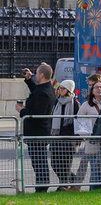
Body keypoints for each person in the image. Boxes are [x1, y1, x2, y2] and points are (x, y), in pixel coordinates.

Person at [16, 64, 57, 192]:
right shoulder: (45, 88)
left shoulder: (44, 93)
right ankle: (41, 186)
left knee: (39, 163)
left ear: (42, 75)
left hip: (38, 133)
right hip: (37, 132)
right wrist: (29, 79)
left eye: (37, 73)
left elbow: (37, 114)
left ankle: (42, 187)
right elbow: (36, 91)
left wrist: (22, 110)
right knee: (38, 162)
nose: (35, 74)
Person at [50, 79, 81, 191]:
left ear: (68, 90)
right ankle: (73, 179)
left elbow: (78, 122)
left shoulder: (75, 103)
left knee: (65, 164)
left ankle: (63, 186)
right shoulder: (57, 101)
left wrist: (77, 139)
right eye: (60, 88)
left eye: (63, 88)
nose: (60, 90)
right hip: (56, 137)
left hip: (68, 138)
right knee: (55, 163)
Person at [75, 80, 101, 190]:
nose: (99, 89)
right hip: (92, 142)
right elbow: (79, 122)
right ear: (92, 90)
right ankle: (94, 190)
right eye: (96, 87)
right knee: (95, 169)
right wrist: (87, 136)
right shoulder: (86, 105)